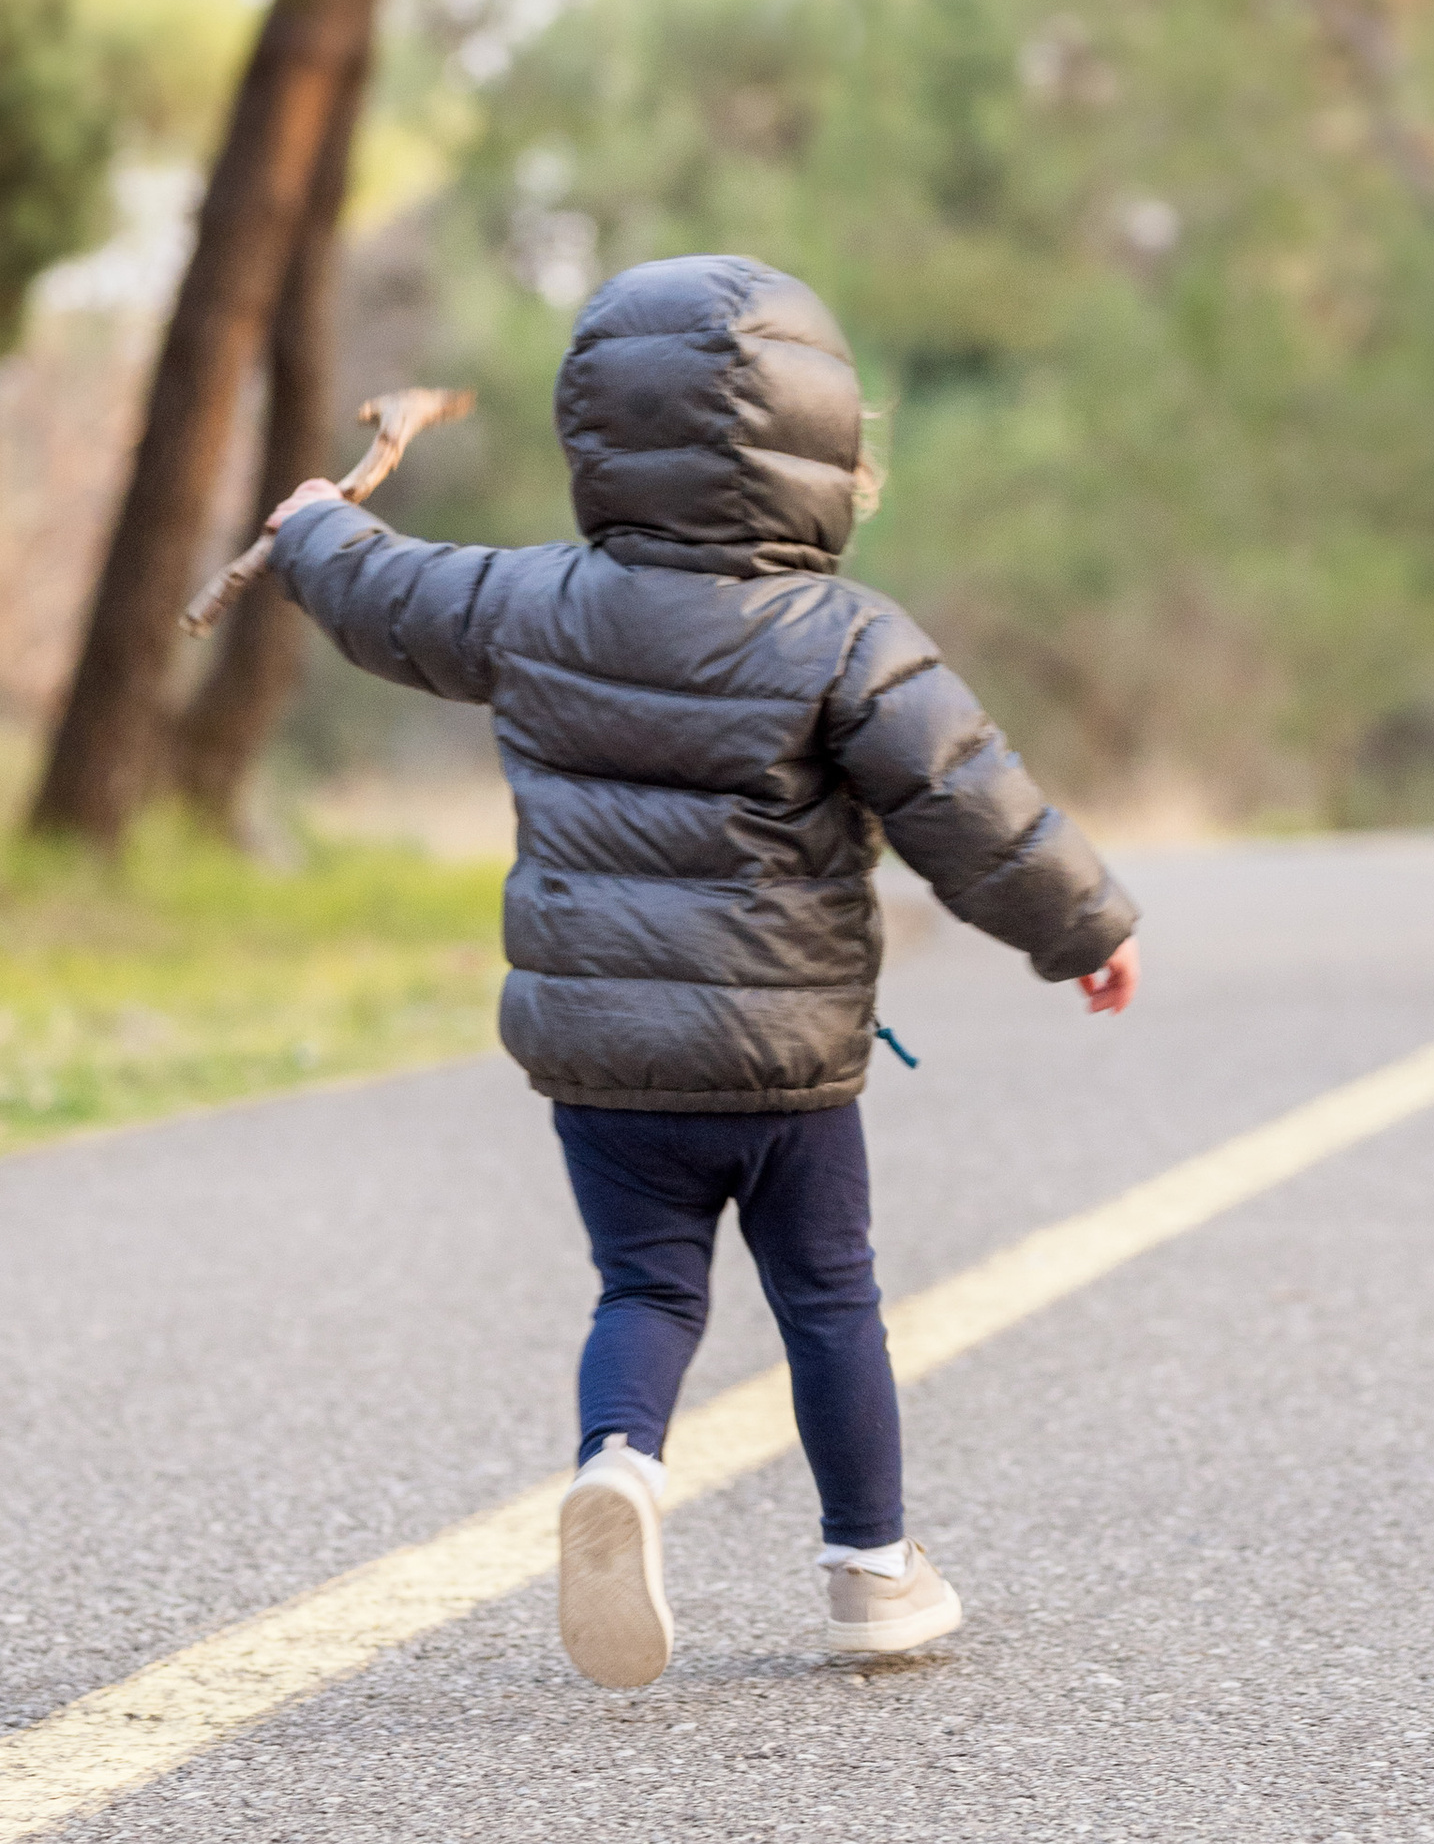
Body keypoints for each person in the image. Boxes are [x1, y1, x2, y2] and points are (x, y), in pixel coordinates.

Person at [263, 250, 1140, 1690]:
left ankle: (620, 1463)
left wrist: (308, 532)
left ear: (597, 438)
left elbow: (385, 595)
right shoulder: (848, 638)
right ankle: (872, 1571)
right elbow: (972, 807)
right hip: (785, 1064)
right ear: (831, 453)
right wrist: (1085, 929)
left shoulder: (526, 603)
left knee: (647, 1294)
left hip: (603, 1058)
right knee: (829, 1300)